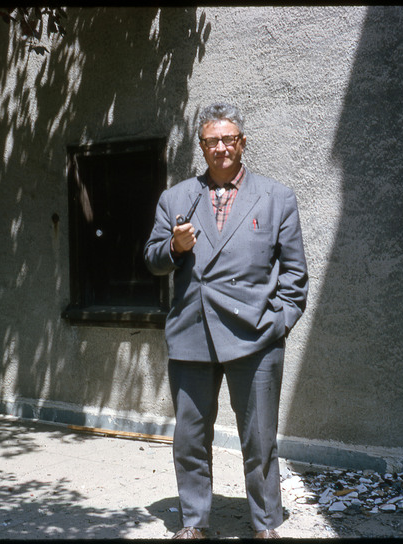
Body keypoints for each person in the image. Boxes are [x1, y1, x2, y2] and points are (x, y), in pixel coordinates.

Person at [144, 103, 309, 539]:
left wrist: (279, 323)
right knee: (190, 439)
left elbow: (295, 275)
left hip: (255, 336)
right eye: (212, 141)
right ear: (201, 146)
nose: (221, 148)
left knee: (259, 440)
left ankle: (266, 524)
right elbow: (153, 261)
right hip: (192, 334)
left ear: (242, 142)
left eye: (229, 139)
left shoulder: (276, 197)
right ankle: (195, 523)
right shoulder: (176, 198)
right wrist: (175, 248)